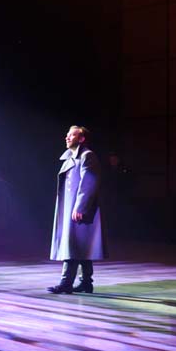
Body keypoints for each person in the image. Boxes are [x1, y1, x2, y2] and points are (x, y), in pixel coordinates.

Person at [49, 125, 106, 294]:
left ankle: (66, 282)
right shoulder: (70, 157)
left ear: (81, 139)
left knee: (73, 245)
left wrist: (80, 206)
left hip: (78, 208)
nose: (67, 137)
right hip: (70, 207)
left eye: (71, 135)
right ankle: (86, 282)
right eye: (67, 135)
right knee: (81, 246)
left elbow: (89, 183)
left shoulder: (87, 156)